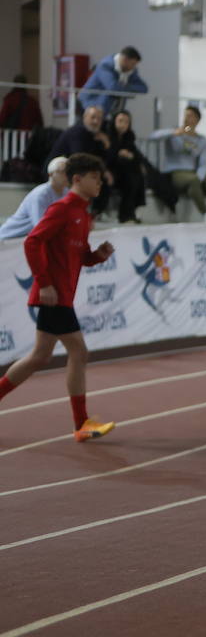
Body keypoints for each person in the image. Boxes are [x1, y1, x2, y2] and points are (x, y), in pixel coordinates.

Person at [0, 153, 115, 441]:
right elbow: (32, 241)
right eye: (94, 178)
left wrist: (97, 256)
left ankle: (81, 423)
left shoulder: (83, 214)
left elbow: (78, 257)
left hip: (61, 295)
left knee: (39, 356)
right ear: (77, 179)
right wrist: (44, 283)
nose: (99, 184)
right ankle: (81, 424)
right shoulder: (61, 208)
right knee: (79, 351)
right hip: (54, 295)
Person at [149, 106, 206, 223]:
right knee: (193, 181)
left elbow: (203, 163)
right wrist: (174, 132)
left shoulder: (202, 141)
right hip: (176, 173)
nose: (186, 119)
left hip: (194, 173)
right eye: (185, 115)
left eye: (190, 116)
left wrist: (200, 177)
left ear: (197, 120)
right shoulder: (174, 134)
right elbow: (152, 136)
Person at [0, 156, 67, 240]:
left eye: (68, 172)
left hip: (28, 237)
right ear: (51, 174)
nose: (66, 175)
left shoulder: (66, 192)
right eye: (61, 172)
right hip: (11, 237)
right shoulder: (41, 194)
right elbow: (40, 225)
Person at [102, 110, 149, 224]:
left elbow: (136, 155)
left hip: (123, 173)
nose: (123, 124)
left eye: (126, 122)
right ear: (114, 121)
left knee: (135, 176)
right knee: (131, 176)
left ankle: (129, 213)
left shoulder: (129, 137)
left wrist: (129, 155)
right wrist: (119, 152)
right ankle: (124, 214)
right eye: (120, 121)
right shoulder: (106, 135)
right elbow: (106, 157)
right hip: (108, 170)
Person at [77, 47, 147, 121]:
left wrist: (126, 86)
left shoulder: (131, 71)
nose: (134, 67)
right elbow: (112, 87)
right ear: (125, 59)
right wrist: (129, 89)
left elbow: (144, 88)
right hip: (88, 105)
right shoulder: (105, 65)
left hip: (108, 110)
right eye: (132, 64)